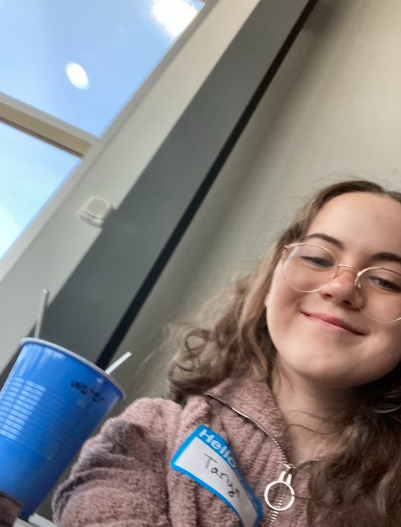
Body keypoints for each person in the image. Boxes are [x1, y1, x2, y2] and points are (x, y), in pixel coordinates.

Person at [52, 179, 401, 527]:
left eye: (387, 281)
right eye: (317, 258)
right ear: (270, 283)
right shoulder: (151, 434)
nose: (341, 287)